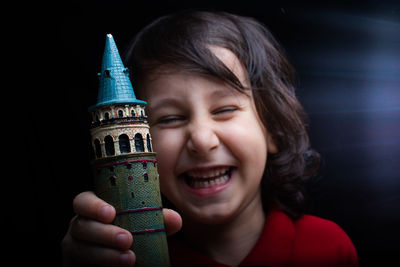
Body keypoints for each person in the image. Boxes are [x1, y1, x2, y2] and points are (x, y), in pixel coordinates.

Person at [62, 11, 358, 267]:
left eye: (225, 109)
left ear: (273, 131)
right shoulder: (124, 255)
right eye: (170, 118)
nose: (202, 140)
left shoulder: (328, 248)